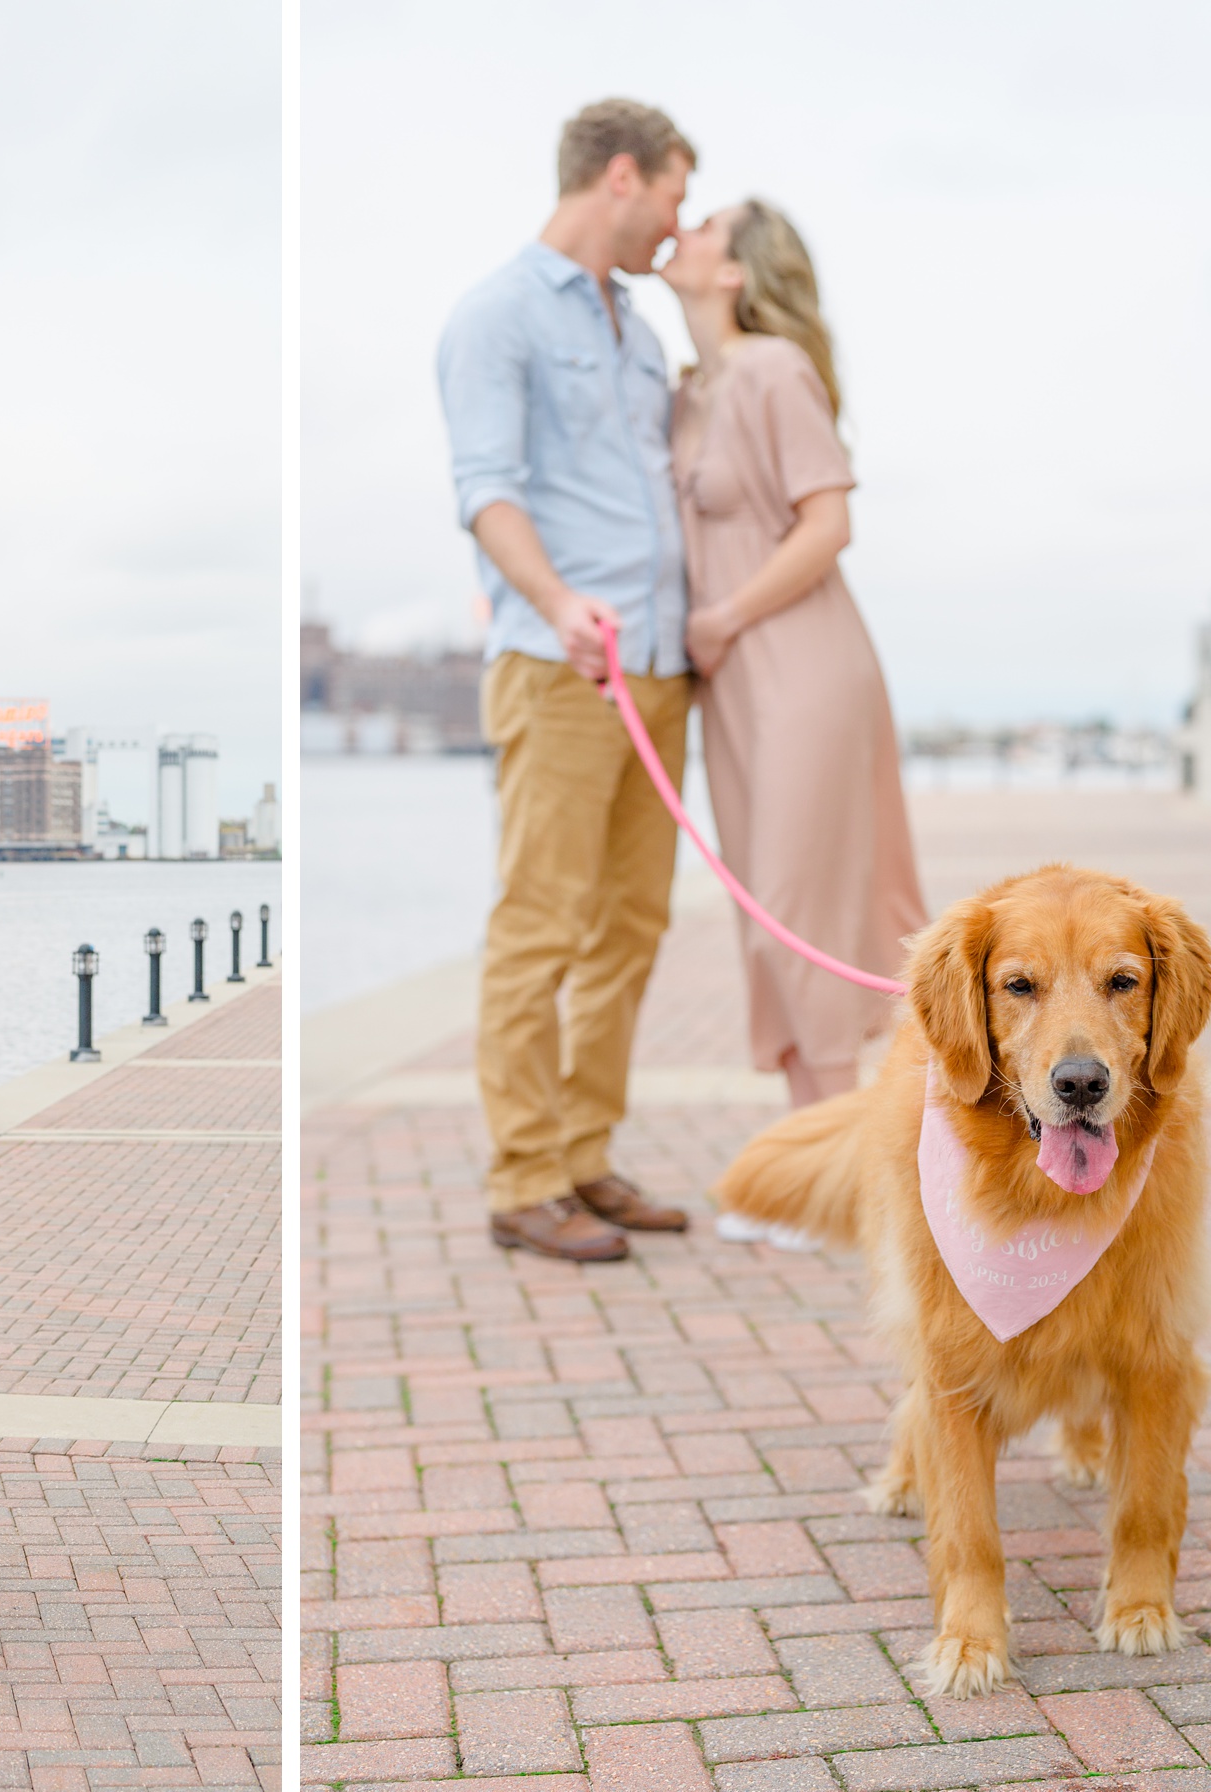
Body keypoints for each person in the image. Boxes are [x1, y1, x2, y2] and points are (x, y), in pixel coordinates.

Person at [437, 98, 700, 1263]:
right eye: (677, 198)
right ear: (624, 178)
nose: (677, 226)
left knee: (632, 926)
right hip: (560, 669)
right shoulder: (497, 315)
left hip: (658, 667)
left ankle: (585, 1155)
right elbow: (486, 487)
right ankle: (525, 1178)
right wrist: (555, 602)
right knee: (540, 927)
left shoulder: (641, 329)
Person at [660, 199, 927, 1244]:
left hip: (802, 663)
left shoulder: (774, 370)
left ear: (735, 272)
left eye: (706, 227)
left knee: (801, 907)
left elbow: (830, 522)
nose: (683, 233)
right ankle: (816, 1166)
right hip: (730, 685)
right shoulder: (689, 394)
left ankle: (839, 1186)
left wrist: (724, 613)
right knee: (762, 918)